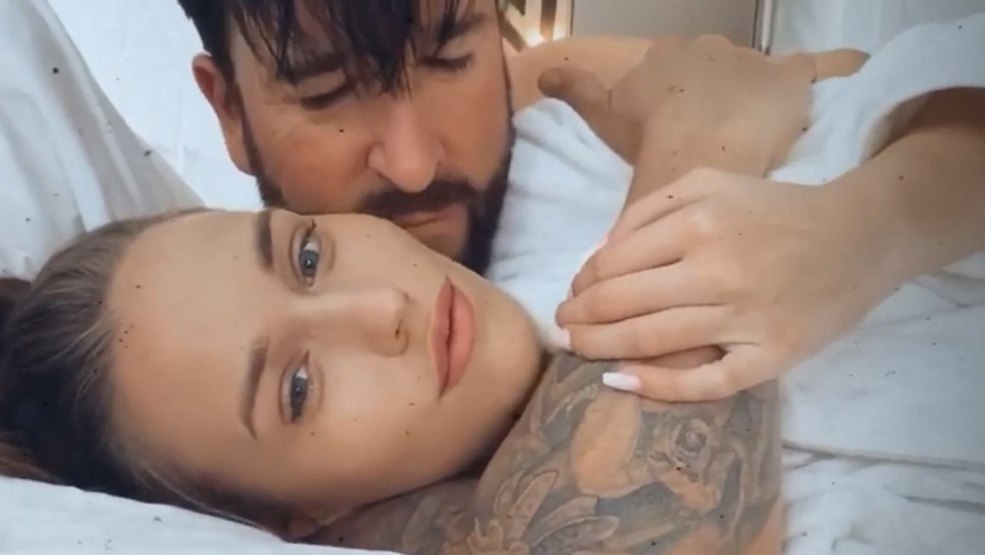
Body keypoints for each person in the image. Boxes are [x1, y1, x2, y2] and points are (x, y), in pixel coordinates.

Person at [172, 0, 985, 403]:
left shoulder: (562, 101)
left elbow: (870, 85)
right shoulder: (239, 364)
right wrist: (696, 147)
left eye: (452, 57)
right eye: (325, 92)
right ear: (228, 111)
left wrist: (868, 230)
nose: (415, 168)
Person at [0, 207, 780, 555]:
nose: (382, 309)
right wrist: (697, 141)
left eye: (307, 256)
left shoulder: (558, 180)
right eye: (297, 388)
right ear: (298, 517)